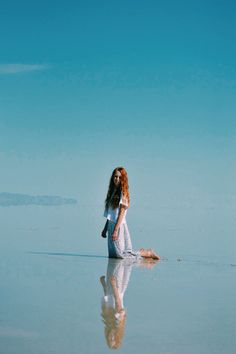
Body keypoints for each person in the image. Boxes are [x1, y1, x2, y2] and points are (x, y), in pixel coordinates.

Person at [101, 167, 160, 260]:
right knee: (113, 255)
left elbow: (121, 213)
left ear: (123, 179)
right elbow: (110, 214)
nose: (117, 179)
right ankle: (143, 252)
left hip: (119, 226)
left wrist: (116, 230)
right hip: (111, 226)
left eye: (120, 177)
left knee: (121, 255)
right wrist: (105, 229)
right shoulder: (112, 193)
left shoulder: (123, 193)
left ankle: (146, 253)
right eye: (115, 176)